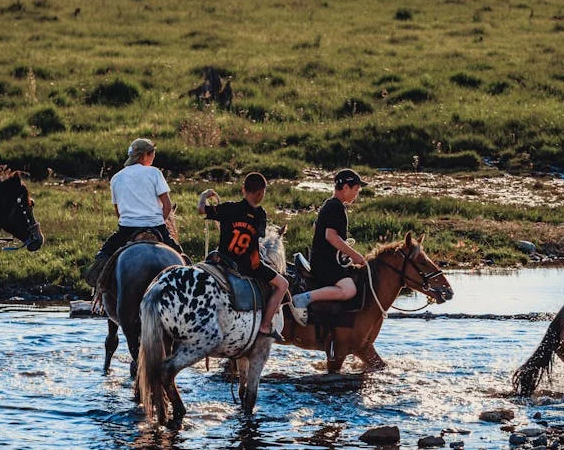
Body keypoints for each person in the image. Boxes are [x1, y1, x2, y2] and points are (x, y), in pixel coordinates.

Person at [198, 172, 289, 341]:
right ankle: (265, 326)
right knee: (283, 284)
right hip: (249, 265)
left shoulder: (228, 207)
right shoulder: (260, 214)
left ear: (243, 189)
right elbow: (259, 238)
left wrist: (204, 196)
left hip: (223, 259)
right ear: (261, 193)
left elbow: (202, 209)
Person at [84, 138, 183, 287]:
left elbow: (118, 211)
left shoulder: (116, 178)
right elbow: (167, 206)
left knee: (103, 254)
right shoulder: (154, 173)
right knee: (181, 257)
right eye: (153, 154)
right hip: (156, 227)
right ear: (145, 155)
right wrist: (157, 222)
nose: (153, 158)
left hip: (127, 229)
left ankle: (99, 289)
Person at [291, 169, 368, 312]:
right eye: (356, 189)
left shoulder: (329, 204)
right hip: (326, 264)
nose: (357, 194)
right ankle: (304, 298)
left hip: (324, 261)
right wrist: (355, 255)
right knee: (349, 290)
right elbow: (330, 236)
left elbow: (317, 227)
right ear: (346, 187)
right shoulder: (336, 207)